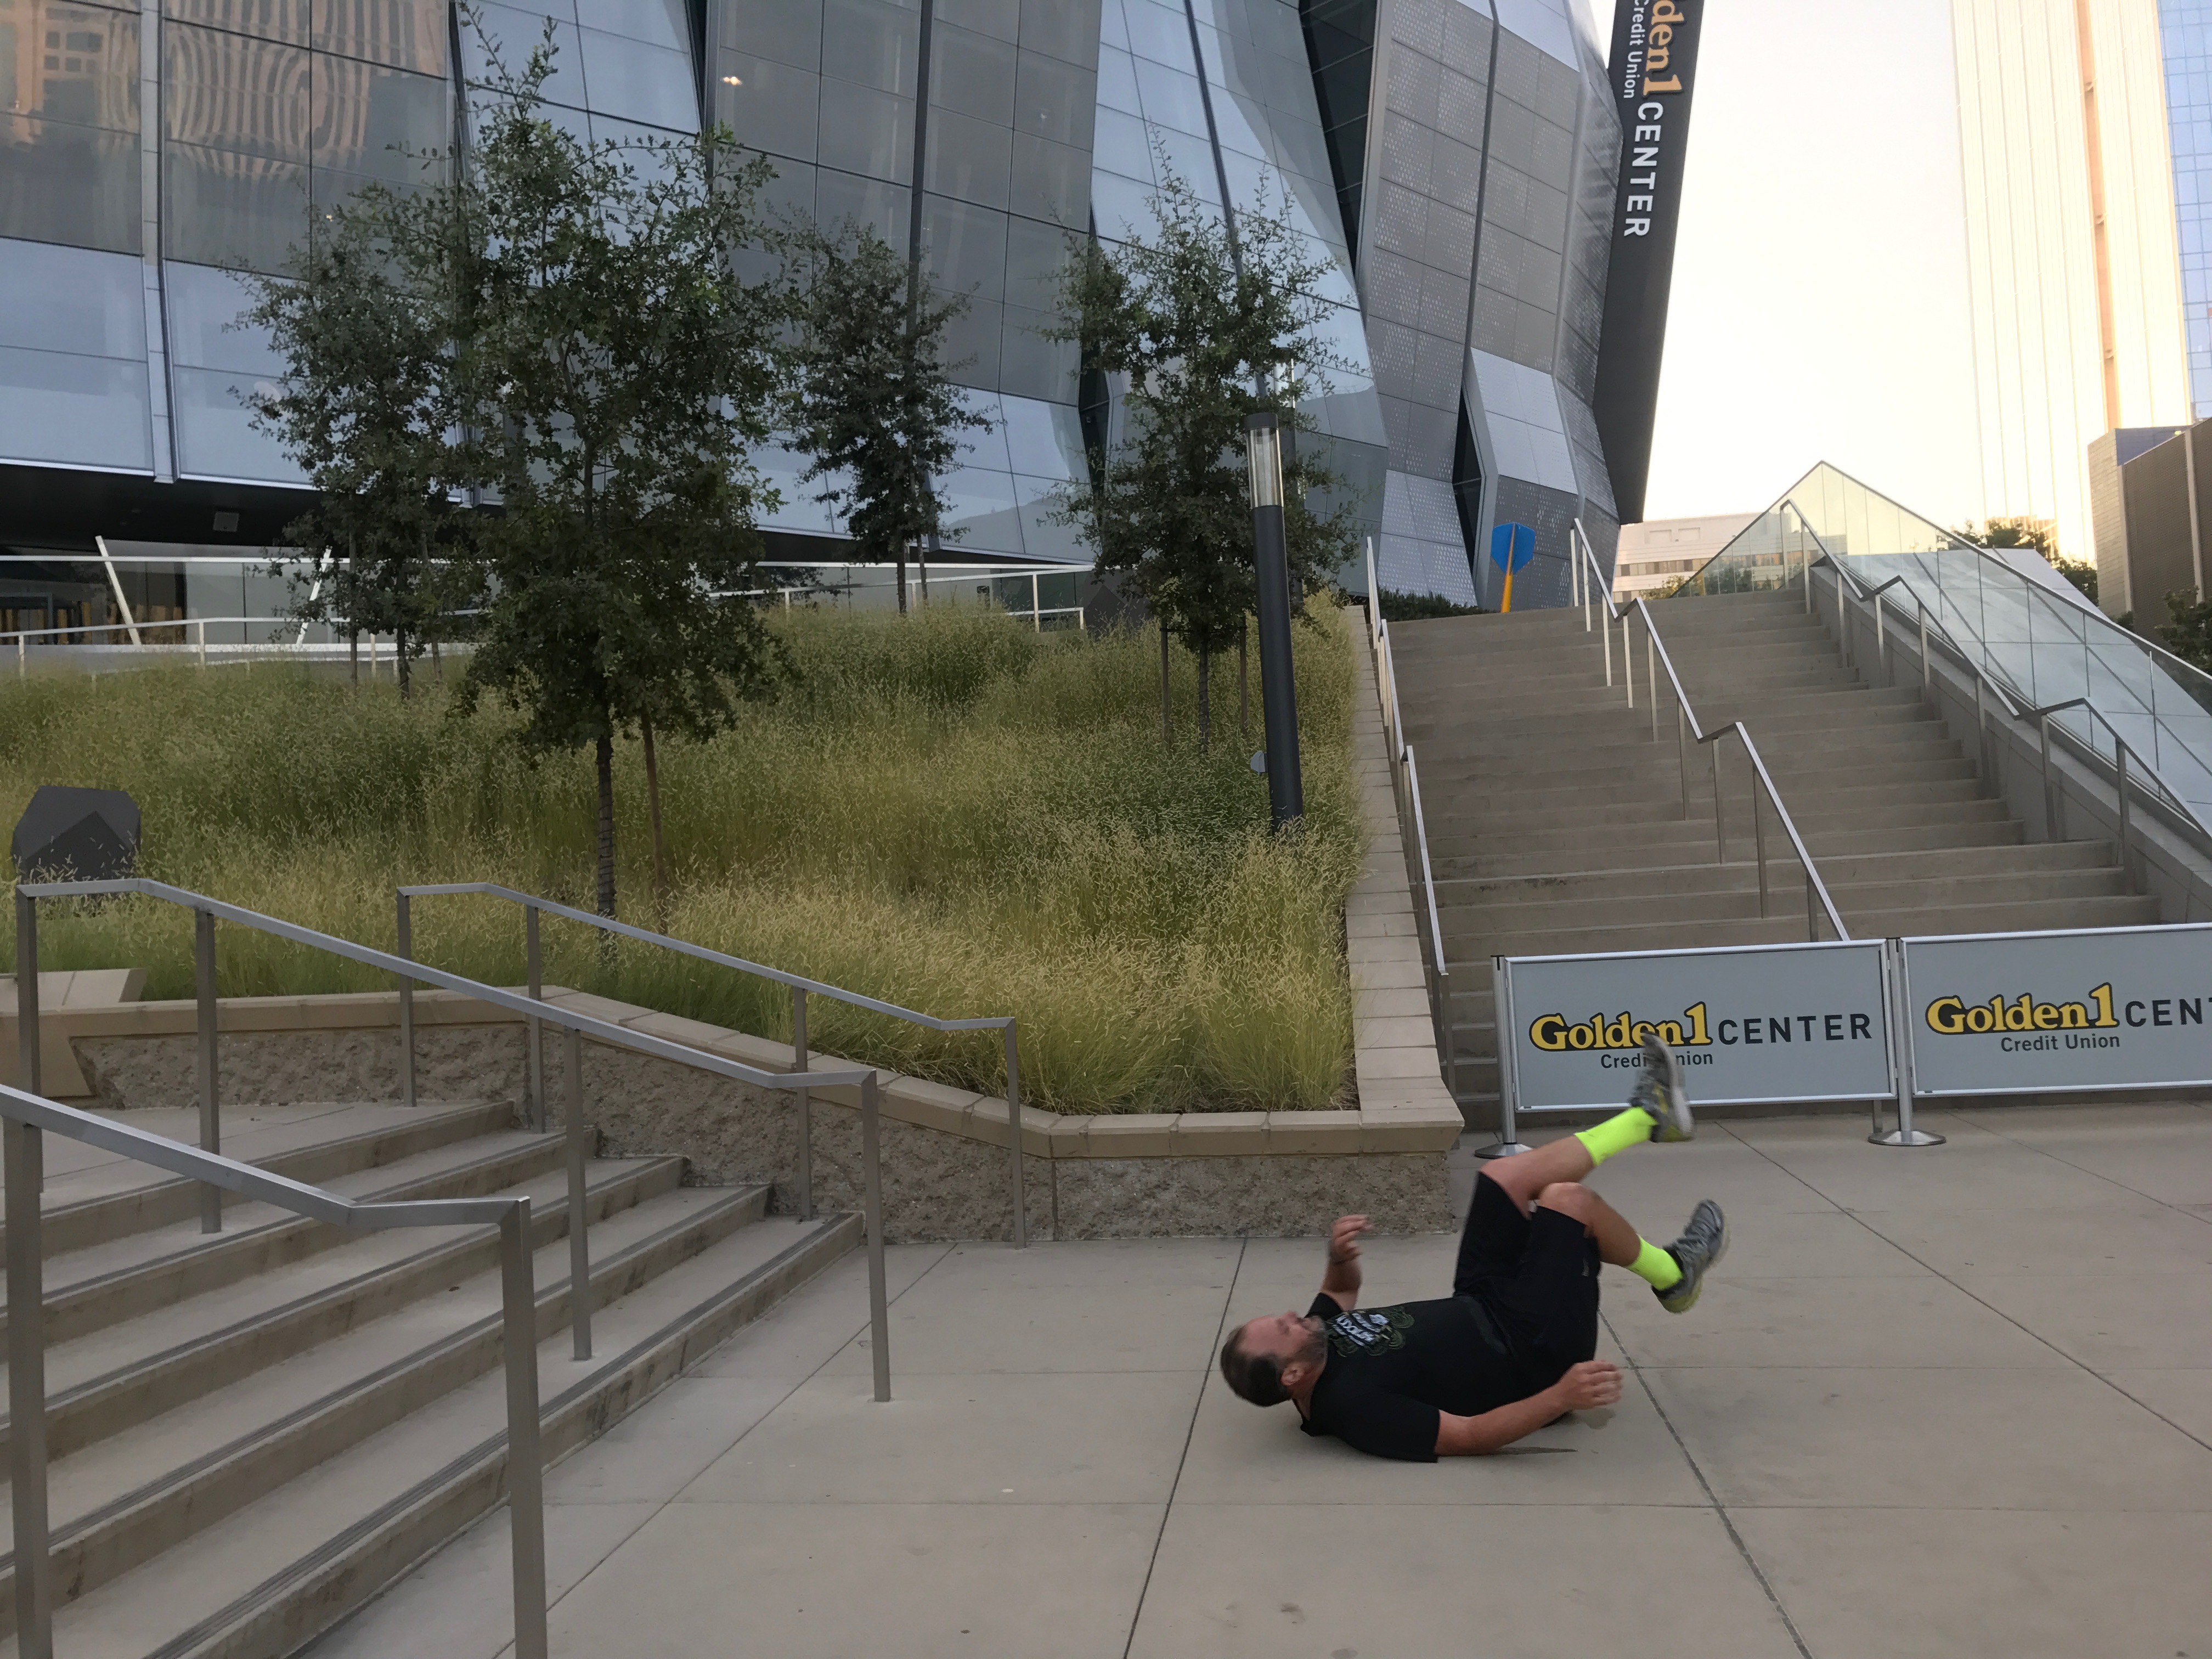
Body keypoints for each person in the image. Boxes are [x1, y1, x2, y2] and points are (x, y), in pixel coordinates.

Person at [1218, 1037, 1726, 1460]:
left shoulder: (1316, 1338)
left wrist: (1338, 1259)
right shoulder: (1355, 1408)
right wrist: (1559, 1397)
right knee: (1566, 1201)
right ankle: (1673, 1273)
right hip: (1532, 1354)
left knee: (1502, 1176)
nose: (1292, 1316)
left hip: (1483, 1300)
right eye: (1283, 1328)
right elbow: (1468, 1436)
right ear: (1292, 1375)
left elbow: (1340, 1292)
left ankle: (1650, 1118)